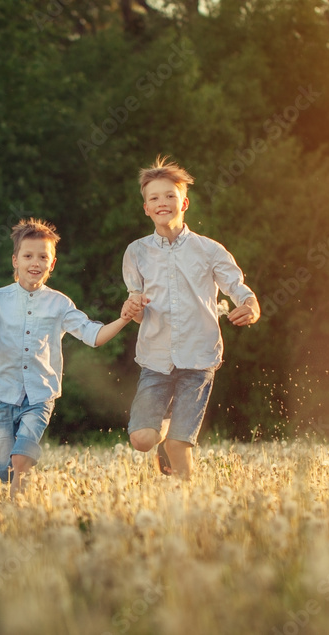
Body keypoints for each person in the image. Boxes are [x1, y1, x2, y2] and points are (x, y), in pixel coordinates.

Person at [0, 217, 133, 499]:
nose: (35, 262)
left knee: (21, 459)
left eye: (43, 256)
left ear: (52, 264)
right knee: (3, 463)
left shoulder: (60, 303)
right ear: (15, 260)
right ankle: (13, 480)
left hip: (41, 396)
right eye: (28, 256)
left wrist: (124, 319)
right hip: (3, 396)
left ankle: (18, 506)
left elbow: (93, 335)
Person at [121, 156, 260, 479]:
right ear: (146, 208)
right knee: (142, 438)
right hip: (155, 357)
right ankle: (161, 440)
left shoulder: (209, 250)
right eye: (154, 197)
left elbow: (237, 287)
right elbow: (135, 308)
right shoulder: (136, 253)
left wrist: (250, 306)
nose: (162, 202)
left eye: (169, 195)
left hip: (199, 358)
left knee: (180, 445)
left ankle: (188, 511)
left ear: (184, 202)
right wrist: (133, 309)